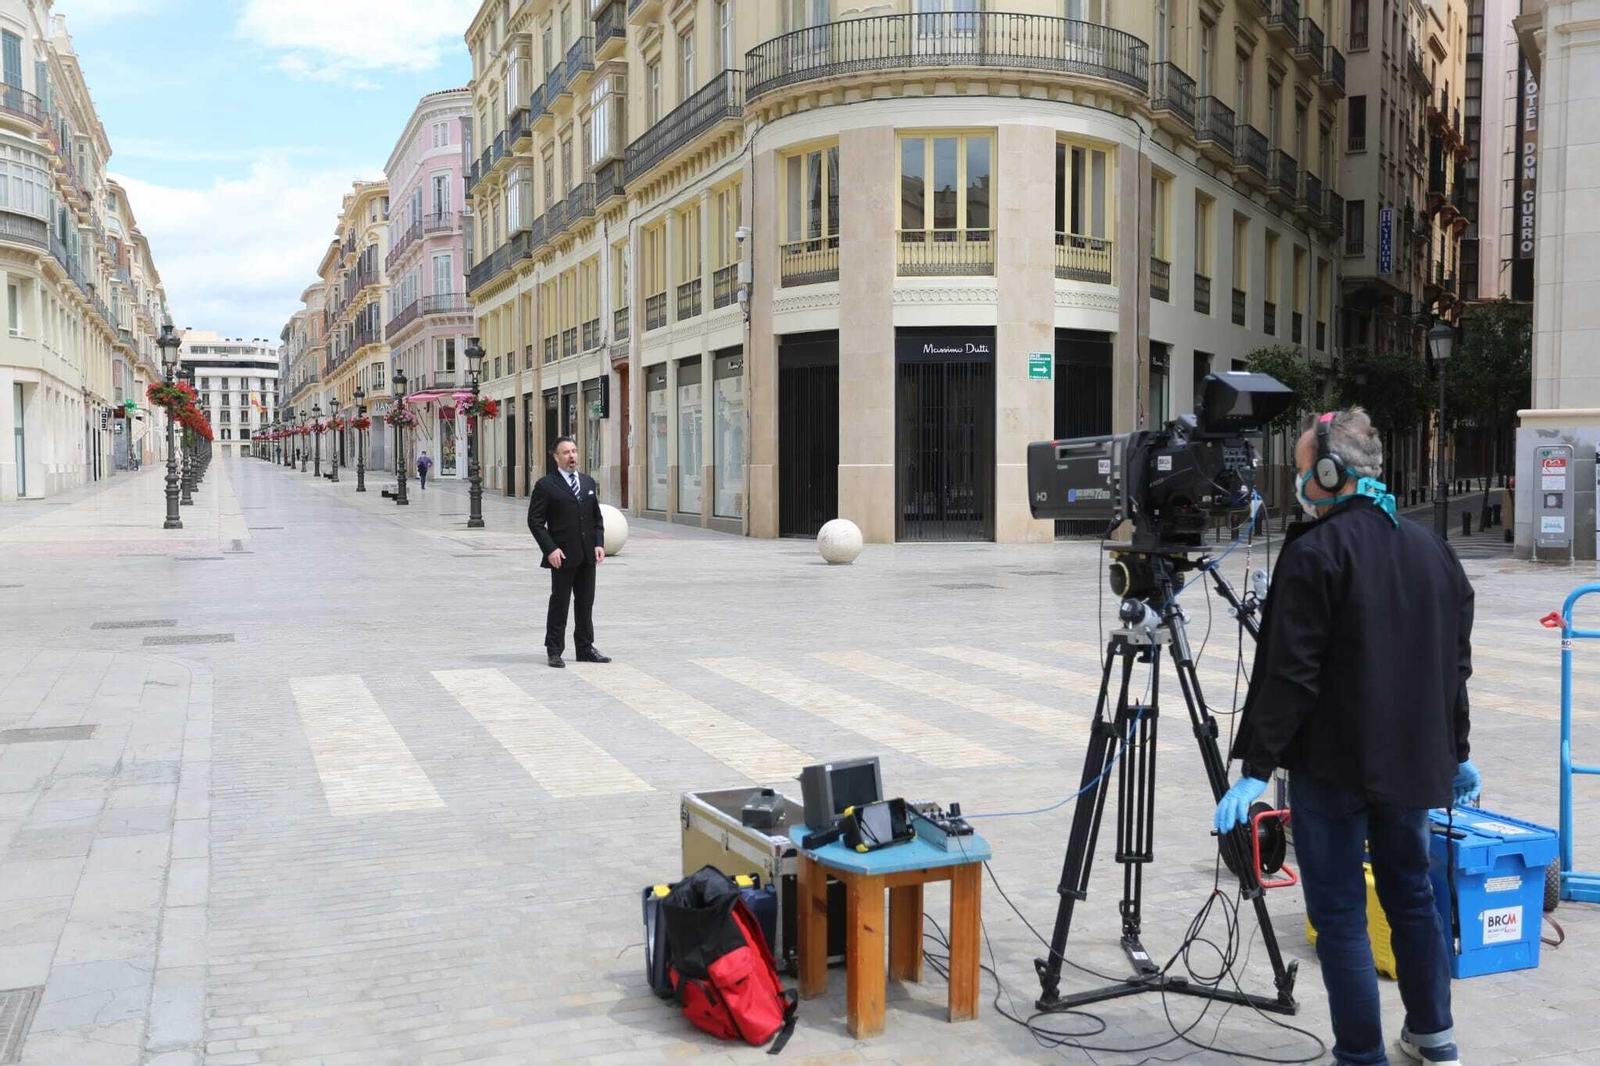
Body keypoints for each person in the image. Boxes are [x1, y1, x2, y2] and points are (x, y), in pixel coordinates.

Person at [1214, 408, 1476, 1066]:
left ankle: (1361, 1055)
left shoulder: (1315, 551)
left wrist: (1255, 768)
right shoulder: (1433, 551)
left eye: (1304, 471)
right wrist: (1458, 750)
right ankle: (1434, 1038)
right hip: (1413, 764)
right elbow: (1455, 667)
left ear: (1330, 473)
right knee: (1411, 895)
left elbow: (1289, 674)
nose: (1299, 483)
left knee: (1339, 917)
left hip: (1333, 768)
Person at [527, 436, 610, 669]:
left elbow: (596, 518)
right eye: (566, 452)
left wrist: (599, 543)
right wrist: (550, 548)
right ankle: (554, 650)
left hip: (587, 555)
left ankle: (585, 648)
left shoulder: (587, 482)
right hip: (561, 556)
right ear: (556, 457)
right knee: (560, 603)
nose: (572, 456)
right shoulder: (546, 485)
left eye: (574, 451)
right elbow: (535, 521)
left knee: (585, 603)